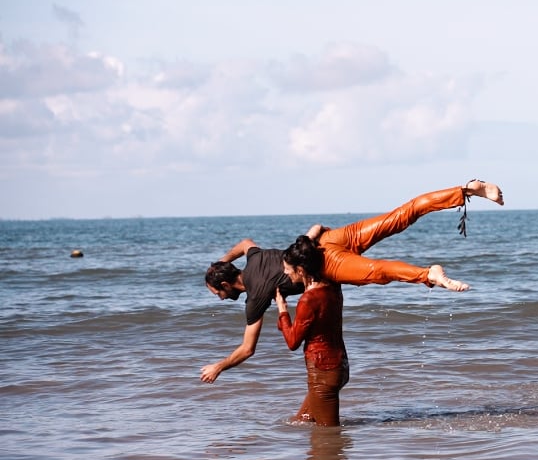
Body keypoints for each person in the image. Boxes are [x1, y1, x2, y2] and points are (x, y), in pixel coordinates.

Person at [200, 179, 503, 384]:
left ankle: (429, 274)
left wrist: (219, 366)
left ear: (226, 286)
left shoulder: (255, 298)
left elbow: (247, 349)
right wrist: (222, 262)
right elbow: (244, 243)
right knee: (401, 215)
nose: (219, 298)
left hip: (328, 265)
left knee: (379, 272)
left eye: (217, 293)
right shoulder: (253, 258)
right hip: (329, 238)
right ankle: (465, 190)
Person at [275, 235, 347, 426]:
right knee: (301, 421)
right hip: (340, 366)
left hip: (322, 372)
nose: (285, 272)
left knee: (327, 436)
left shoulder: (308, 300)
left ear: (300, 270)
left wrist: (282, 311)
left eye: (288, 269)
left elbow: (292, 342)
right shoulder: (333, 286)